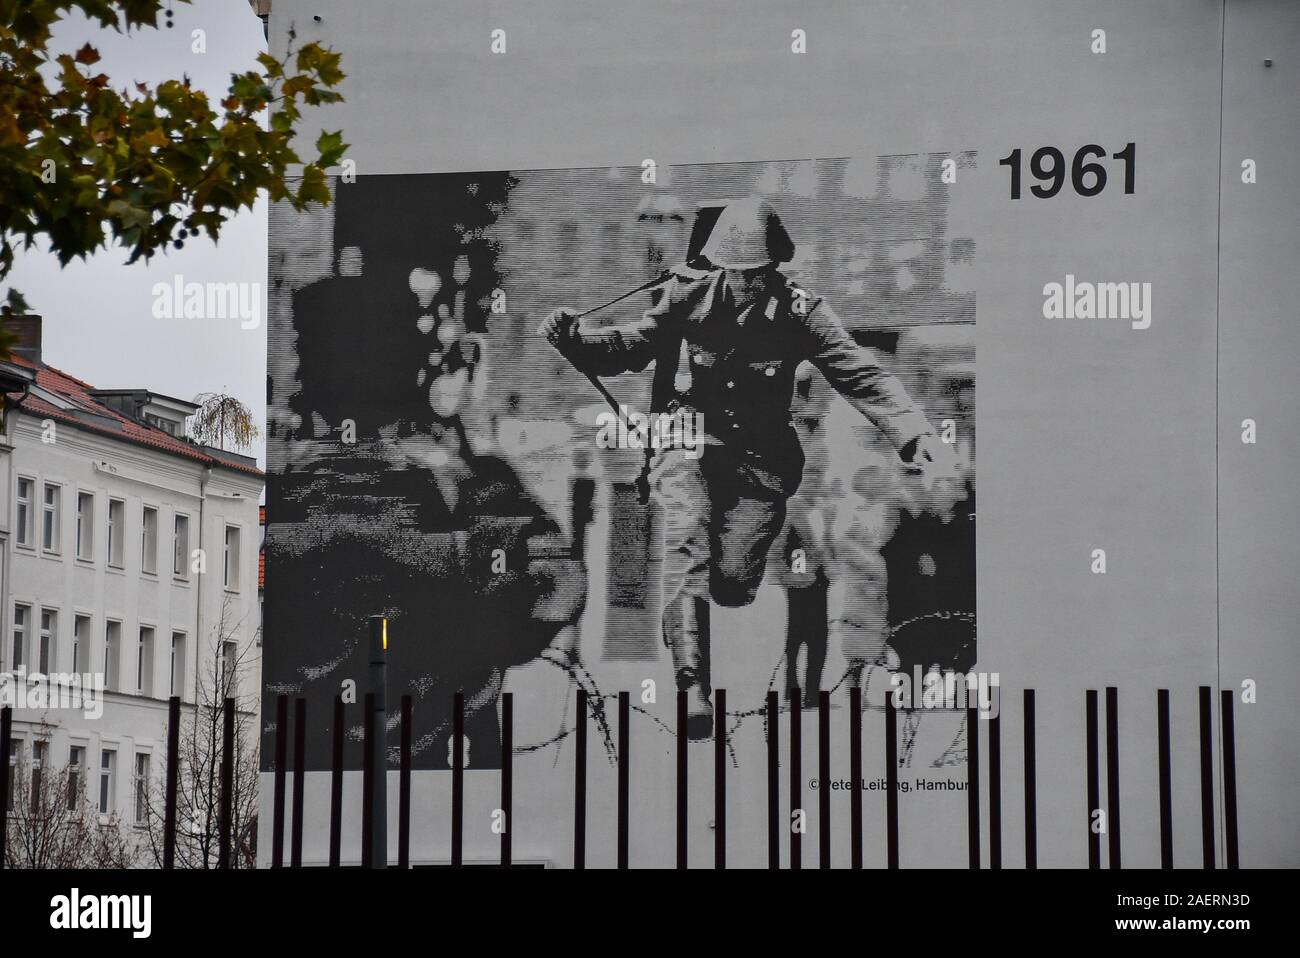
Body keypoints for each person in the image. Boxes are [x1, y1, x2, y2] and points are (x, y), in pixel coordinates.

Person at [540, 197, 953, 738]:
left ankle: (715, 618)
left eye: (757, 273)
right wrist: (575, 338)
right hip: (689, 439)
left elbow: (859, 372)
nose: (746, 283)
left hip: (762, 459)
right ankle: (691, 685)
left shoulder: (802, 309)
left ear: (775, 266)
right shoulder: (686, 293)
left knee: (733, 584)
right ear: (720, 265)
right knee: (687, 546)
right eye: (737, 272)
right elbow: (630, 349)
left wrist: (914, 431)